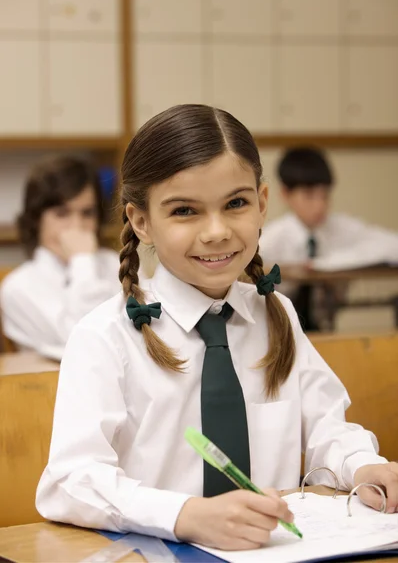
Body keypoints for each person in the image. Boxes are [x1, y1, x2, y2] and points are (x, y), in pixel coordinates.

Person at [36, 106, 398, 551]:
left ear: (262, 204)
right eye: (185, 210)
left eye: (236, 204)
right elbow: (70, 479)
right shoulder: (105, 337)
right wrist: (185, 515)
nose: (216, 231)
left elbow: (326, 428)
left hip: (277, 555)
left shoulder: (276, 314)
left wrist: (362, 466)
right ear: (141, 221)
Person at [258, 147, 398, 330]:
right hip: (277, 330)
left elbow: (392, 245)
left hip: (325, 327)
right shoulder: (271, 239)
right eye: (309, 196)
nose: (320, 205)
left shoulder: (341, 228)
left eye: (325, 195)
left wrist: (334, 262)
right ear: (285, 194)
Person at [0, 156, 122, 360]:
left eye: (87, 213)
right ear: (36, 219)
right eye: (62, 213)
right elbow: (90, 343)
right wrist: (82, 260)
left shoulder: (114, 262)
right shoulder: (18, 288)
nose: (77, 226)